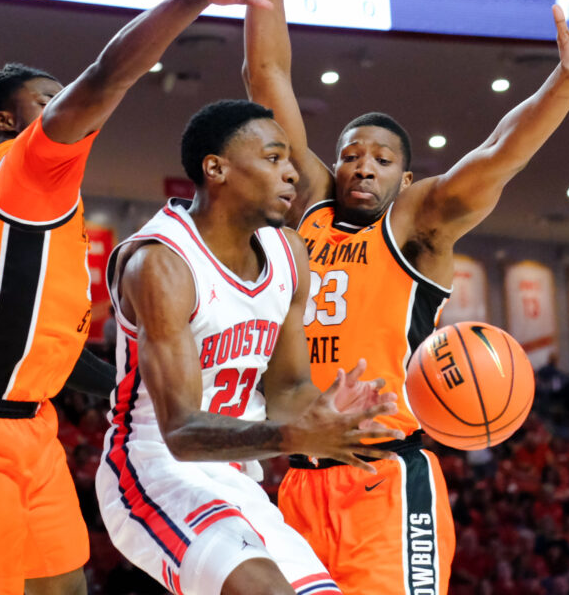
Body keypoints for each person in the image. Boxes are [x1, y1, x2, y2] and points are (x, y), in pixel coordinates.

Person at [242, 0, 569, 595]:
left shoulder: (419, 222)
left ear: (406, 177)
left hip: (385, 480)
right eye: (350, 153)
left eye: (381, 157)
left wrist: (567, 81)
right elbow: (266, 71)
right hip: (299, 483)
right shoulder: (305, 203)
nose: (361, 166)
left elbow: (501, 152)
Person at [0, 0, 274, 595]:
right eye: (46, 99)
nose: (62, 106)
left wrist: (149, 394)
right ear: (10, 122)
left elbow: (58, 352)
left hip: (32, 426)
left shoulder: (45, 214)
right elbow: (104, 78)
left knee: (69, 588)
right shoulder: (22, 169)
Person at [96, 99, 403, 595]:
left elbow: (289, 387)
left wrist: (336, 422)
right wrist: (293, 436)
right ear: (215, 169)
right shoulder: (162, 263)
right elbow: (180, 432)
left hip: (238, 477)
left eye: (289, 162)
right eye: (274, 158)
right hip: (152, 470)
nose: (292, 176)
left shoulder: (289, 254)